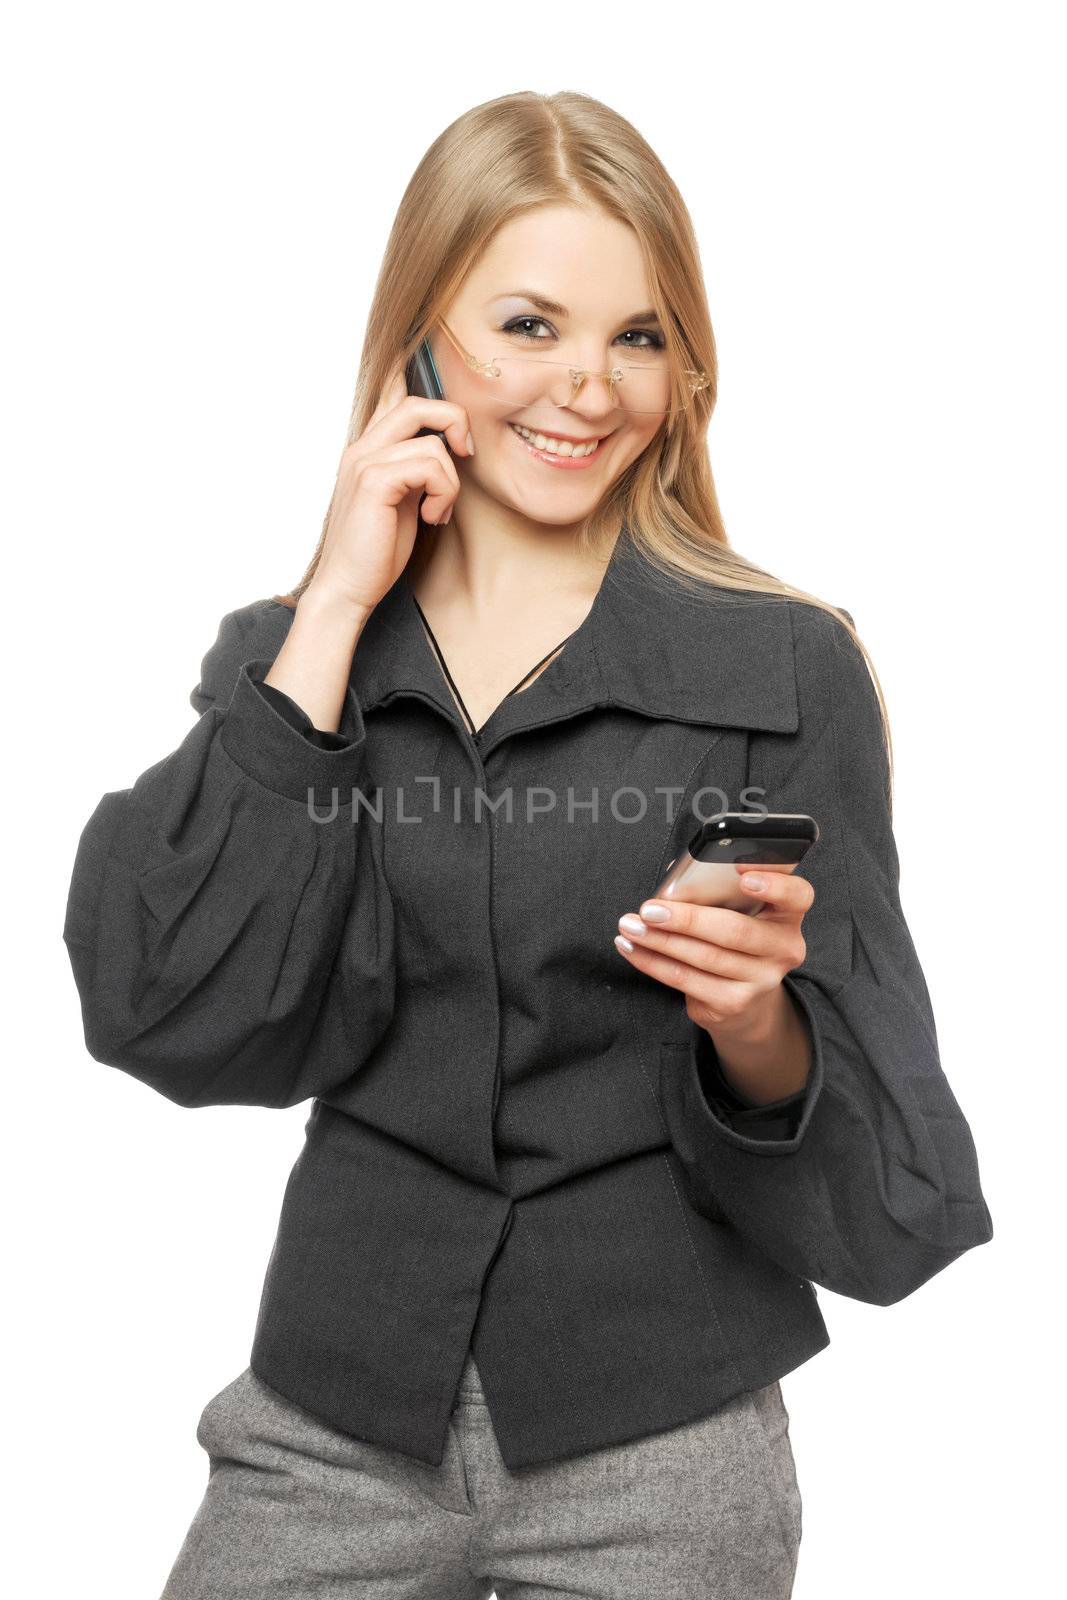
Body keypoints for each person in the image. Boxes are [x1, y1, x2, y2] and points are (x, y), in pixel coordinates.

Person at [62, 89, 994, 1600]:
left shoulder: (784, 665)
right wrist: (334, 607)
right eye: (528, 325)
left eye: (638, 335)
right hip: (334, 1412)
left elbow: (867, 1098)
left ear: (687, 368)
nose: (587, 386)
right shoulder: (297, 655)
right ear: (421, 339)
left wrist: (752, 1016)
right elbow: (169, 1002)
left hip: (663, 1434)